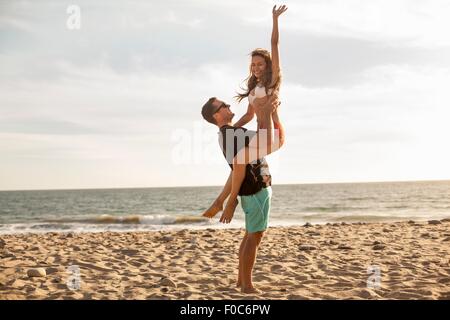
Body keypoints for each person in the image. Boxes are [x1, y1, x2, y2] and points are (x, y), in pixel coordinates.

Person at [201, 96, 285, 293]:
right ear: (216, 115)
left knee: (250, 235)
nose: (229, 106)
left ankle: (241, 281)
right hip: (256, 190)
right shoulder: (233, 134)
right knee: (254, 236)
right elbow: (274, 140)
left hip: (251, 191)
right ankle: (247, 286)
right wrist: (271, 112)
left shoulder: (226, 134)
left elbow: (235, 168)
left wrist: (255, 103)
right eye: (224, 105)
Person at [214, 5, 288, 223]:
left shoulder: (272, 82)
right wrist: (230, 129)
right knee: (238, 162)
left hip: (273, 134)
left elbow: (274, 44)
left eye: (260, 64)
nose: (256, 68)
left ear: (267, 66)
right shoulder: (254, 89)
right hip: (261, 133)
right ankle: (225, 199)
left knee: (239, 160)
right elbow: (248, 116)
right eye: (253, 64)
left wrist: (275, 19)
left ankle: (230, 201)